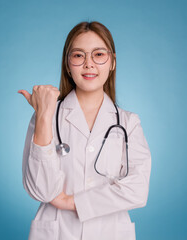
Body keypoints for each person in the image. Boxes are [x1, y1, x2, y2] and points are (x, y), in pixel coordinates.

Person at [18, 21, 151, 240]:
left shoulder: (128, 123)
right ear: (67, 65)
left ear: (113, 62)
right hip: (57, 231)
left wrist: (72, 203)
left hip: (110, 231)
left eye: (98, 55)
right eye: (79, 56)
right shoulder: (47, 116)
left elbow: (137, 189)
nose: (89, 64)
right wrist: (43, 116)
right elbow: (41, 191)